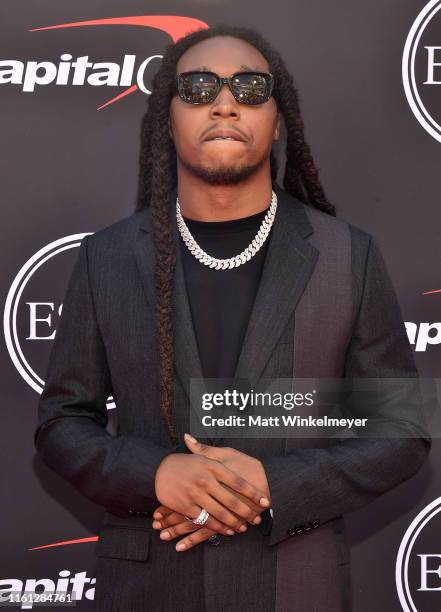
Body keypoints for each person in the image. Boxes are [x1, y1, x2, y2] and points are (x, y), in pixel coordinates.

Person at [34, 24, 431, 612]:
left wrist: (274, 485)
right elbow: (62, 422)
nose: (224, 102)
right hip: (148, 586)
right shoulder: (109, 257)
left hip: (296, 582)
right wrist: (157, 474)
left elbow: (402, 433)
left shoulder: (348, 255)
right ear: (167, 120)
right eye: (197, 88)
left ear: (278, 120)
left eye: (250, 87)